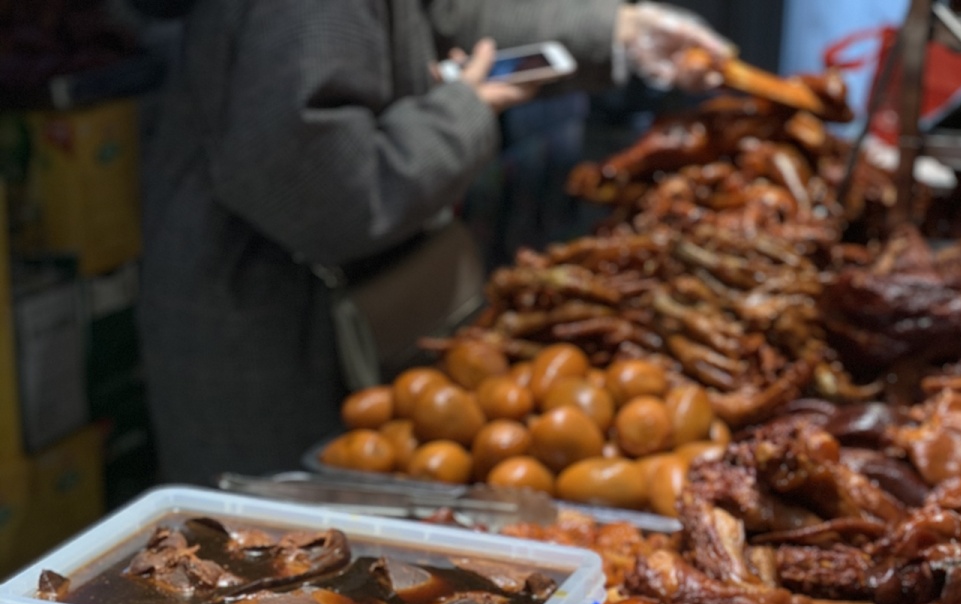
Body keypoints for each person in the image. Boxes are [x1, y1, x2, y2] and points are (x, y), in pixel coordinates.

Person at [137, 1, 735, 487]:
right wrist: (462, 115)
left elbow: (442, 13)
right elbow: (322, 188)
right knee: (264, 558)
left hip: (331, 308)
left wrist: (619, 32)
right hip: (270, 329)